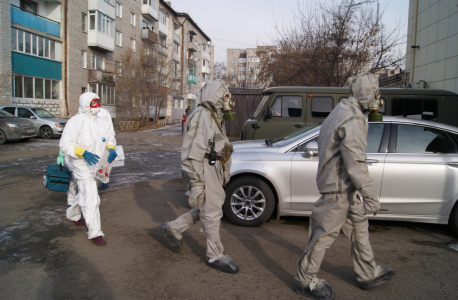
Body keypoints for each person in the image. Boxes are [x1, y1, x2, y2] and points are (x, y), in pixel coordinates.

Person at [293, 73, 395, 299]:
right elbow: (356, 162)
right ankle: (304, 279)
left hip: (344, 187)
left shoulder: (341, 111)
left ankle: (367, 272)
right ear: (369, 94)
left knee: (359, 229)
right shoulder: (353, 118)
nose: (378, 101)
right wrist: (370, 196)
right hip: (338, 189)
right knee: (323, 235)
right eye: (376, 95)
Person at [160, 79, 238, 274]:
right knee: (211, 210)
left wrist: (225, 167)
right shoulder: (201, 116)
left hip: (214, 167)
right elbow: (190, 153)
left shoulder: (214, 116)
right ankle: (215, 255)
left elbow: (222, 146)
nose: (228, 100)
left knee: (208, 205)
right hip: (204, 166)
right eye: (225, 96)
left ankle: (174, 227)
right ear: (218, 96)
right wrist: (197, 182)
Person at [59, 92, 117, 246]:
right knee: (92, 198)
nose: (97, 106)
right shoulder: (75, 122)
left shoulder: (101, 121)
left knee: (85, 193)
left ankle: (73, 213)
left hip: (98, 164)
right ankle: (95, 233)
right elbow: (65, 144)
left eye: (98, 102)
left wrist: (111, 148)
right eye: (94, 103)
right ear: (86, 104)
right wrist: (82, 152)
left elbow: (110, 137)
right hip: (81, 164)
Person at [57, 107, 116, 204]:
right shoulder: (78, 120)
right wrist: (61, 155)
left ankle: (81, 207)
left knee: (89, 187)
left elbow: (109, 135)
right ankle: (72, 201)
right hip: (76, 158)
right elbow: (66, 142)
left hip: (93, 160)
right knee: (74, 181)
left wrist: (112, 146)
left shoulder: (102, 120)